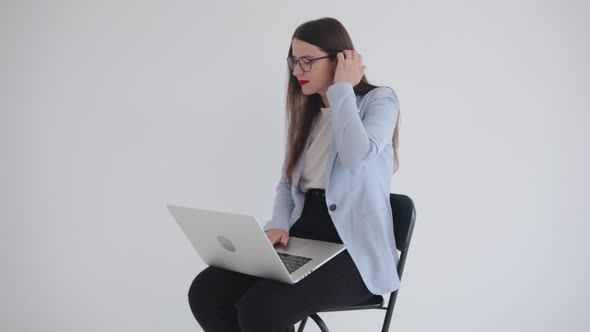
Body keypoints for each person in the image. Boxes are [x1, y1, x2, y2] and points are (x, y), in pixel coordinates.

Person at [187, 17, 402, 332]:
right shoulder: (309, 115)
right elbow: (288, 187)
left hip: (354, 255)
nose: (296, 70)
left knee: (261, 309)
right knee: (207, 292)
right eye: (293, 61)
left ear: (341, 59)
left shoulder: (379, 101)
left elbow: (357, 156)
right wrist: (278, 225)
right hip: (303, 240)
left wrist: (342, 89)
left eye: (306, 61)